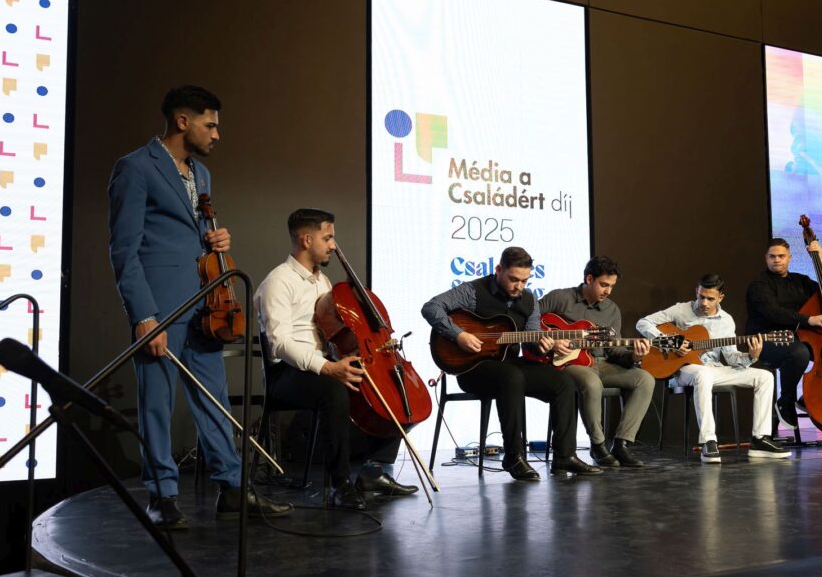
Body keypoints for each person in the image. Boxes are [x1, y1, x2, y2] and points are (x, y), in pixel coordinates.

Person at [108, 85, 290, 529]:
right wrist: (144, 315)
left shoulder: (202, 174)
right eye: (210, 125)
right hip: (161, 307)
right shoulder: (135, 167)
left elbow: (194, 231)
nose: (217, 134)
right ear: (182, 121)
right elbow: (124, 250)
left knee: (214, 399)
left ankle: (232, 488)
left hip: (207, 302)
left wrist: (216, 239)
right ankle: (162, 494)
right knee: (157, 401)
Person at [255, 208, 419, 510]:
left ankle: (373, 470)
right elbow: (280, 343)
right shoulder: (278, 281)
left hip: (322, 364)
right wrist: (329, 367)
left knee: (387, 386)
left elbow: (333, 331)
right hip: (287, 374)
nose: (333, 245)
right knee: (333, 390)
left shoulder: (324, 282)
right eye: (327, 238)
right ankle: (340, 485)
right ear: (307, 240)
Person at [421, 247, 601, 480]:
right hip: (472, 368)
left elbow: (532, 342)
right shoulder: (473, 291)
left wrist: (545, 345)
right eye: (514, 279)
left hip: (510, 365)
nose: (519, 286)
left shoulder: (529, 299)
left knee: (563, 381)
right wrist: (459, 335)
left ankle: (565, 456)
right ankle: (514, 457)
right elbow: (431, 307)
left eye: (524, 281)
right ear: (499, 270)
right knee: (511, 377)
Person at [637, 274, 789, 463]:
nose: (704, 303)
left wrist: (751, 356)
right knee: (703, 374)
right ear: (696, 292)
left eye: (710, 299)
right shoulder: (681, 310)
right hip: (685, 370)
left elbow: (732, 358)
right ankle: (708, 441)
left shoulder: (726, 320)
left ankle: (760, 439)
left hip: (715, 369)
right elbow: (643, 323)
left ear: (720, 298)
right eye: (701, 297)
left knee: (765, 376)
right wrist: (671, 342)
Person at [539, 256, 654, 468]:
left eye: (612, 286)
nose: (608, 291)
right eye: (604, 285)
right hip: (571, 363)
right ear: (589, 279)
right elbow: (529, 320)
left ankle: (621, 444)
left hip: (603, 362)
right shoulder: (560, 297)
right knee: (592, 383)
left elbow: (615, 350)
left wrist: (635, 356)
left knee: (645, 379)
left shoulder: (612, 310)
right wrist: (552, 341)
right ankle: (598, 445)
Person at [745, 237, 822, 428]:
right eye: (772, 256)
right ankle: (785, 402)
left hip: (796, 337)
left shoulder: (800, 281)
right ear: (766, 258)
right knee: (799, 353)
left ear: (789, 258)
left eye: (781, 256)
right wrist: (808, 320)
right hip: (765, 339)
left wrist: (819, 259)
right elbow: (774, 313)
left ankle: (808, 397)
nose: (777, 260)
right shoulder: (759, 285)